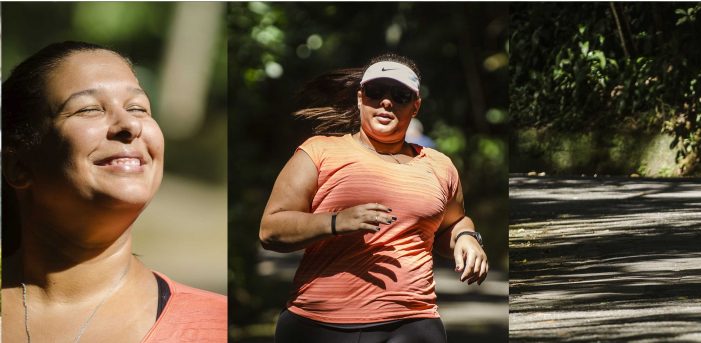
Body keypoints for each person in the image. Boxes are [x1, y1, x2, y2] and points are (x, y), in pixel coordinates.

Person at [0, 41, 227, 342]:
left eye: (138, 108)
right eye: (89, 109)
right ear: (18, 166)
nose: (129, 124)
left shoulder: (216, 326)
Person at [260, 53, 489, 342]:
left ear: (415, 105)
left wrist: (467, 236)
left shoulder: (439, 165)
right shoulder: (318, 152)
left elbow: (450, 226)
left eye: (400, 95)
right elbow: (271, 230)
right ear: (360, 97)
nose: (386, 102)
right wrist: (336, 222)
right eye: (376, 92)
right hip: (319, 323)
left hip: (413, 323)